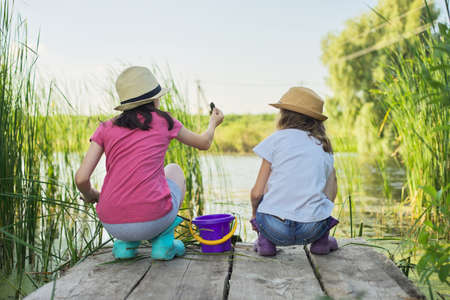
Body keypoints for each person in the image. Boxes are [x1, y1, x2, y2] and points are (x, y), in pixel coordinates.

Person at [75, 66, 223, 260]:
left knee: (127, 197)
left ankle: (125, 246)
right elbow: (204, 143)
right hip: (154, 218)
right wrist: (213, 123)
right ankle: (164, 242)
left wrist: (93, 195)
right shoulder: (164, 121)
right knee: (174, 170)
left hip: (112, 223)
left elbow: (81, 178)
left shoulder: (105, 128)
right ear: (154, 99)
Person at [249, 87, 338, 256]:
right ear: (316, 120)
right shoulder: (324, 147)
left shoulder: (275, 140)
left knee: (268, 194)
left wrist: (256, 217)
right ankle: (321, 241)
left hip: (275, 228)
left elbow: (256, 193)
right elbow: (330, 193)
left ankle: (266, 242)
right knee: (327, 188)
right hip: (312, 228)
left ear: (284, 114)